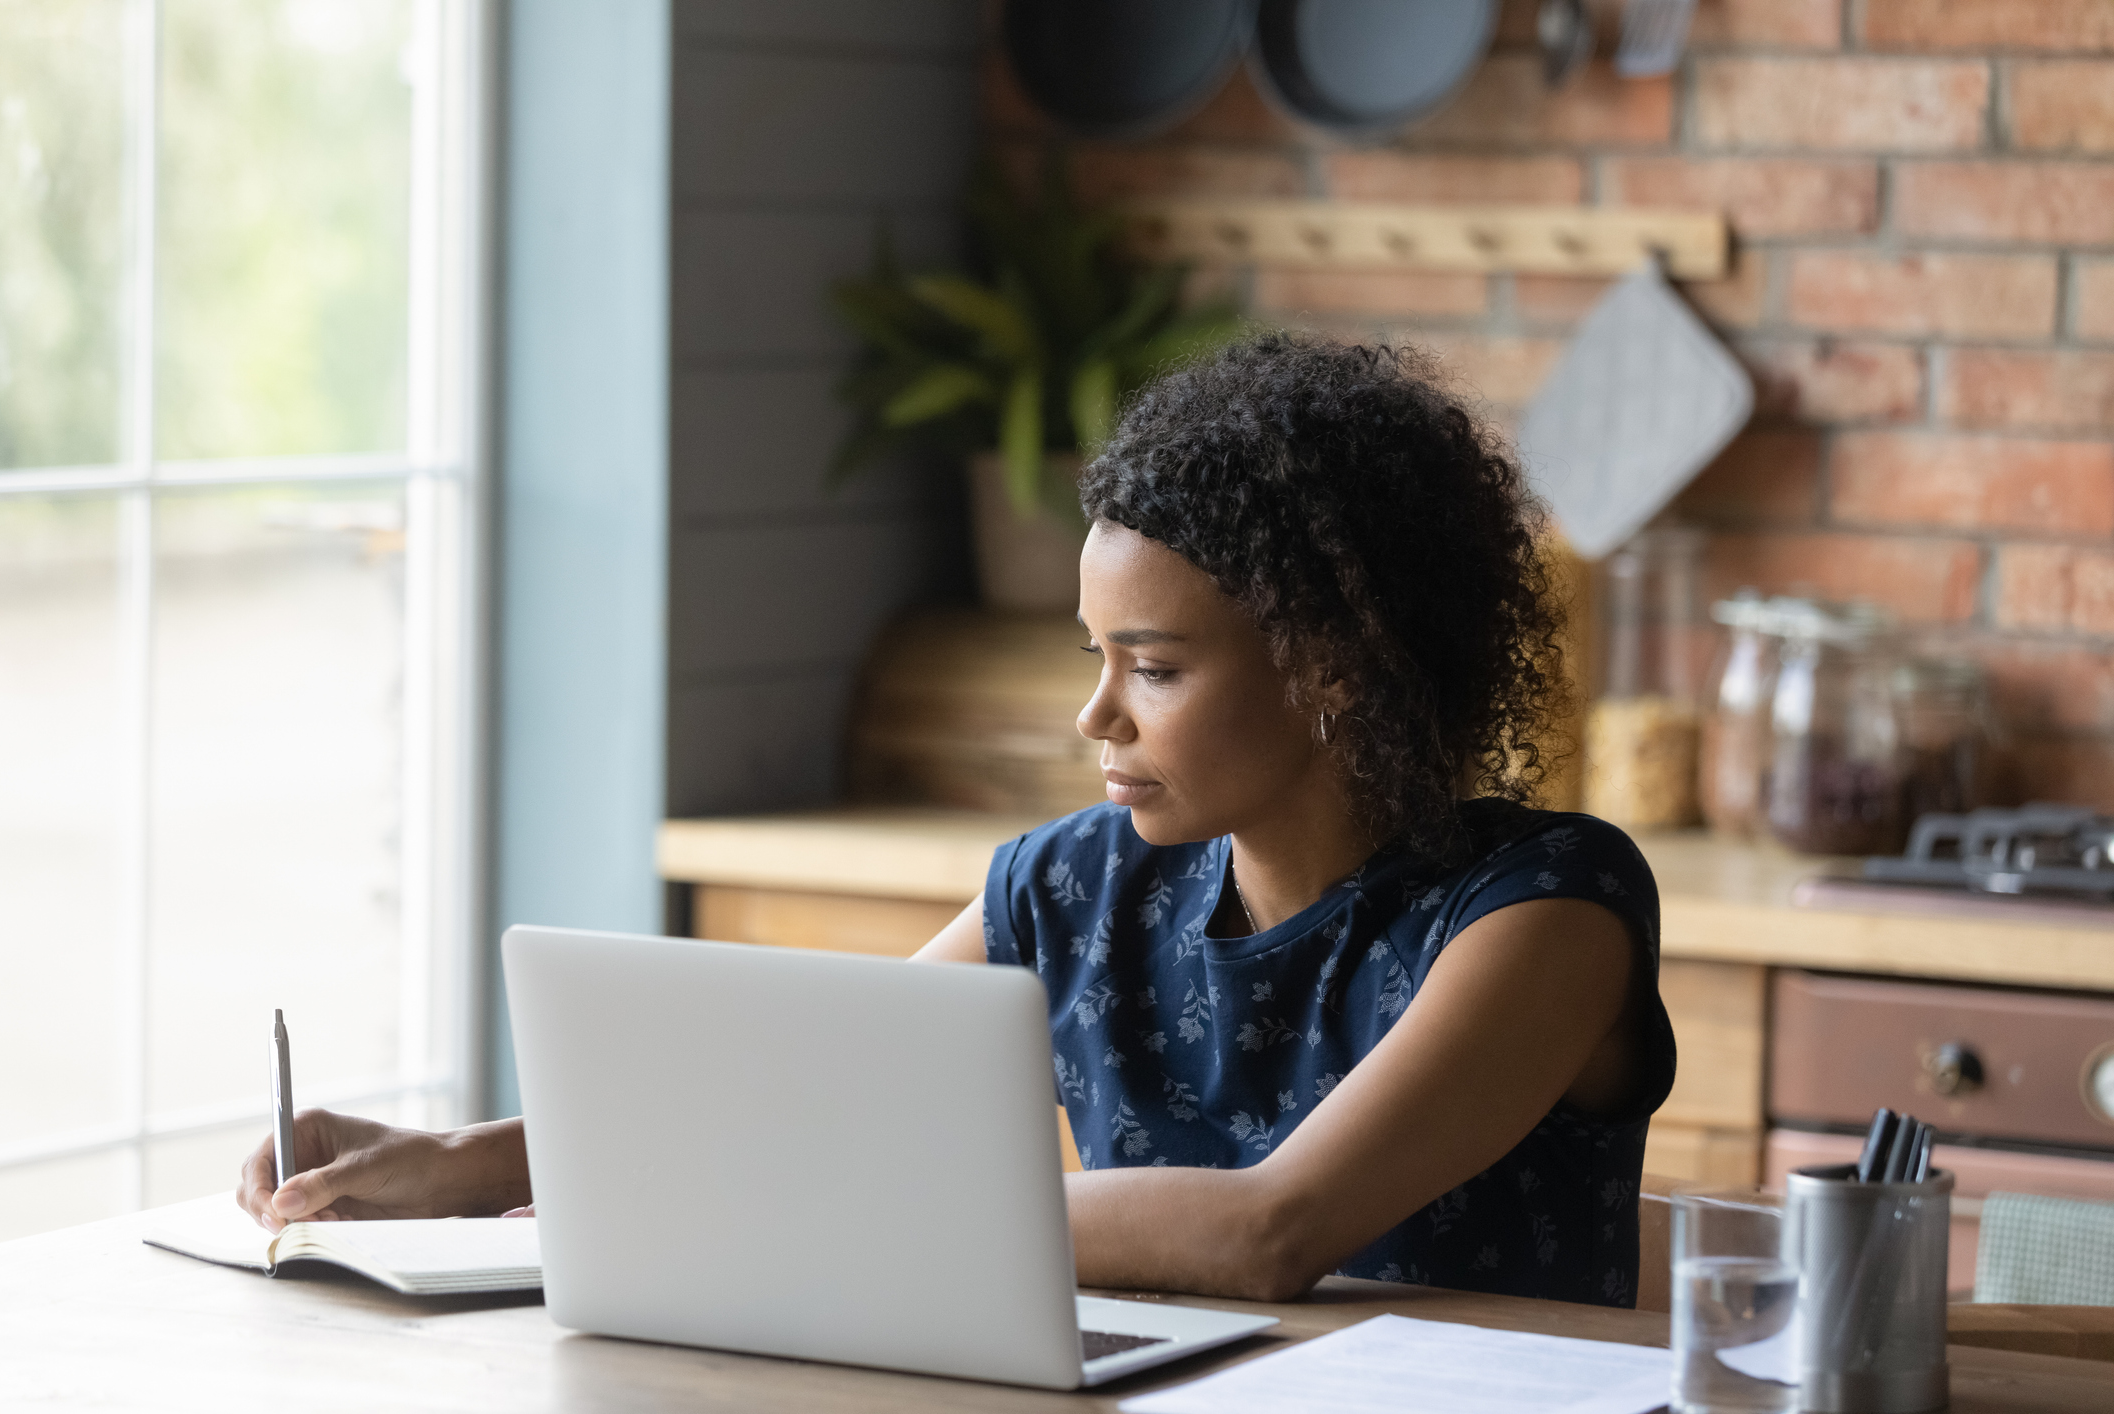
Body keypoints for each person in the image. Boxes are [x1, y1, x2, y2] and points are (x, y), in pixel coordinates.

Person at [238, 335, 1675, 1308]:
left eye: (1156, 668)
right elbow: (795, 1093)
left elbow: (1266, 1229)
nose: (1094, 716)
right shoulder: (1075, 886)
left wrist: (760, 1224)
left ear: (1333, 670)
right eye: (1091, 655)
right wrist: (458, 1163)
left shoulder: (1543, 908)